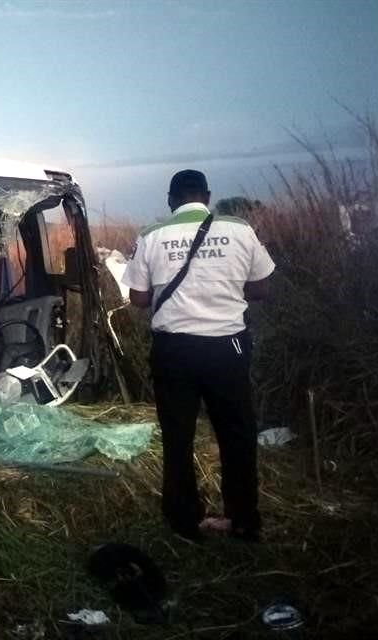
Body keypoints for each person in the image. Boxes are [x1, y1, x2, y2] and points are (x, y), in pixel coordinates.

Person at [122, 169, 275, 542]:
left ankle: (184, 522)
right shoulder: (240, 229)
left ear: (170, 200)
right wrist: (223, 289)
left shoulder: (152, 234)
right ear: (206, 196)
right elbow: (261, 288)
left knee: (178, 437)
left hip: (175, 351)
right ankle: (243, 521)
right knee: (237, 435)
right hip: (227, 348)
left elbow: (138, 298)